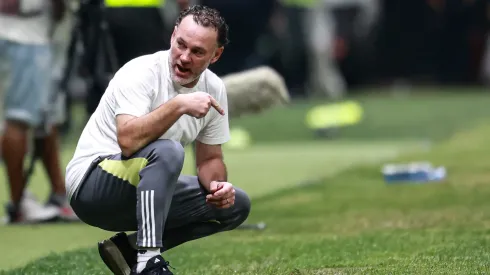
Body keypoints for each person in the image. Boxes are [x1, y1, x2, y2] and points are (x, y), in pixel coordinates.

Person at [65, 5, 251, 275]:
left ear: (216, 55)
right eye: (181, 45)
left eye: (197, 51)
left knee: (237, 206)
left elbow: (210, 159)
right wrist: (179, 105)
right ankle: (148, 264)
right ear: (173, 35)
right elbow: (127, 140)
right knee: (169, 151)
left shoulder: (214, 88)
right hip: (91, 184)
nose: (185, 57)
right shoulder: (141, 72)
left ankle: (129, 251)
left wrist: (217, 187)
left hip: (143, 191)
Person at [0, 0, 78, 223]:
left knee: (45, 115)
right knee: (19, 119)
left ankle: (59, 195)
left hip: (25, 30)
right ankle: (18, 205)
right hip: (25, 32)